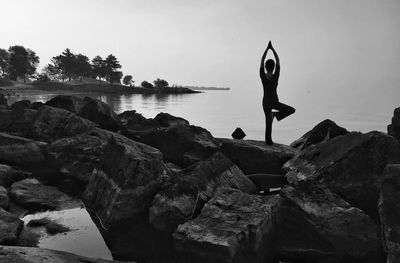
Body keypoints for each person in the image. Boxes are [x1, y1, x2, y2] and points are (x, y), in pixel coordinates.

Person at [260, 41, 295, 145]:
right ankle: (275, 115)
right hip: (273, 101)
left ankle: (268, 139)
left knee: (268, 122)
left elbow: (261, 60)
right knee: (291, 110)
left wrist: (267, 49)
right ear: (274, 67)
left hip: (266, 101)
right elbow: (278, 60)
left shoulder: (262, 75)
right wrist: (272, 49)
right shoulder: (276, 76)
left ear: (266, 67)